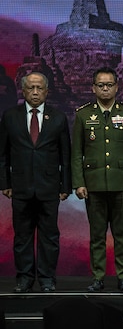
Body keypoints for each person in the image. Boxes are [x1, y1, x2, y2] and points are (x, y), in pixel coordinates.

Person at [71, 67, 123, 292]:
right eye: (100, 85)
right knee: (97, 235)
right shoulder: (83, 115)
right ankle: (98, 277)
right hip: (93, 185)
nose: (105, 88)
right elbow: (76, 153)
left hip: (122, 185)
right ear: (93, 88)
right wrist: (79, 183)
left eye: (109, 84)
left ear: (117, 87)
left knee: (121, 234)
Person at [0, 72, 71, 292]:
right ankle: (24, 278)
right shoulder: (10, 116)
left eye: (39, 88)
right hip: (20, 187)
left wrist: (65, 186)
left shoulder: (58, 117)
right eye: (30, 88)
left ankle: (47, 278)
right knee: (22, 235)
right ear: (23, 90)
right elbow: (3, 154)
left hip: (49, 188)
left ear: (47, 91)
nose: (35, 92)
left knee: (49, 236)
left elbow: (65, 156)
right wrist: (5, 184)